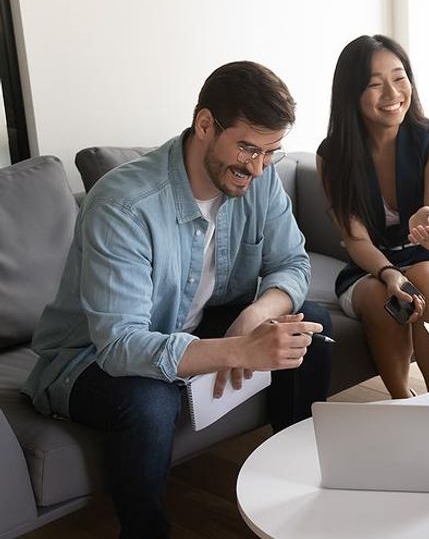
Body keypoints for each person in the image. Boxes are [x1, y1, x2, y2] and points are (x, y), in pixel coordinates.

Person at [23, 61, 334, 539]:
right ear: (205, 124)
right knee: (151, 399)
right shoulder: (124, 204)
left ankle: (296, 491)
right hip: (86, 358)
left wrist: (254, 317)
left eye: (271, 151)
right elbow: (121, 345)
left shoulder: (261, 176)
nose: (257, 166)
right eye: (247, 148)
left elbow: (292, 262)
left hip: (186, 327)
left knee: (305, 323)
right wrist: (237, 351)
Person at [317, 35, 429, 399]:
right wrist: (390, 274)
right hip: (372, 268)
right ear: (351, 94)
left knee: (421, 276)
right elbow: (356, 239)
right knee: (381, 295)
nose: (392, 93)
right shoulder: (332, 156)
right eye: (375, 84)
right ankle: (403, 402)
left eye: (399, 77)